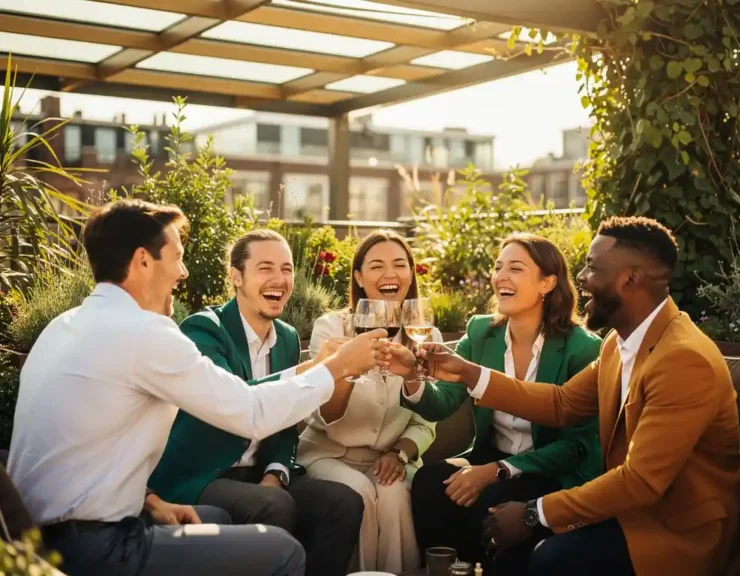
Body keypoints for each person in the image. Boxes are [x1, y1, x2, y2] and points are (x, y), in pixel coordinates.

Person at [8, 199, 388, 576]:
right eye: (176, 257)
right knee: (282, 551)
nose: (184, 272)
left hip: (44, 538)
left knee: (212, 517)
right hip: (100, 547)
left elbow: (80, 450)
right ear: (143, 261)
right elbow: (249, 411)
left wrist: (151, 501)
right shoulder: (144, 332)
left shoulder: (62, 327)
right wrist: (337, 367)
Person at [408, 216, 740, 576]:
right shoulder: (618, 343)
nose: (579, 277)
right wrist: (468, 372)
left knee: (552, 557)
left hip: (681, 529)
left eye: (592, 267)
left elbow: (640, 481)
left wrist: (534, 512)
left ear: (630, 278)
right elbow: (561, 404)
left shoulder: (683, 359)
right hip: (629, 510)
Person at [149, 229, 363, 576]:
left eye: (287, 269)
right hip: (202, 474)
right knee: (271, 504)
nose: (279, 279)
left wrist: (276, 473)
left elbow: (286, 418)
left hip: (258, 473)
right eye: (265, 268)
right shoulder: (204, 329)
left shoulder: (288, 337)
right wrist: (315, 369)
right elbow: (233, 402)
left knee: (344, 502)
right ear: (236, 276)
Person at [403, 233, 601, 573]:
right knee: (429, 482)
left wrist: (496, 473)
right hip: (491, 454)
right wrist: (410, 376)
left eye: (515, 268)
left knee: (496, 501)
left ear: (547, 283)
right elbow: (442, 404)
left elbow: (576, 447)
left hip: (549, 468)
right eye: (497, 267)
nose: (500, 277)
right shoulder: (481, 333)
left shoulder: (582, 348)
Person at [296, 230, 441, 574]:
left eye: (399, 265)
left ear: (411, 274)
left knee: (392, 495)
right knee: (359, 491)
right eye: (377, 266)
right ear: (359, 277)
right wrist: (350, 361)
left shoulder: (425, 335)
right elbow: (325, 414)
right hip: (328, 454)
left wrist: (401, 452)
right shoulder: (332, 329)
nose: (390, 274)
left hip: (392, 458)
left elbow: (426, 419)